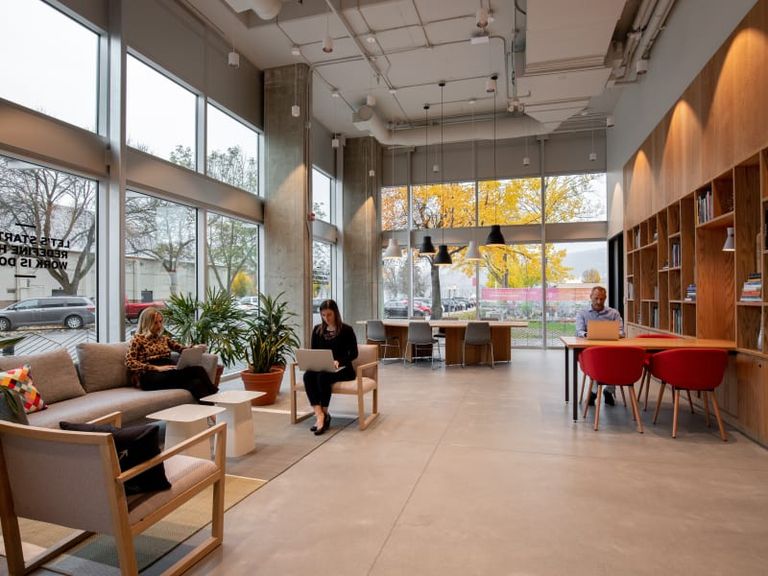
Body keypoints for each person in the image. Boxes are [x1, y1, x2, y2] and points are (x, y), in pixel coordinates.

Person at [126, 306, 218, 401]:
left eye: (160, 321)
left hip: (168, 370)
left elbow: (181, 349)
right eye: (155, 323)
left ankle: (212, 407)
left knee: (195, 383)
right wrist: (156, 368)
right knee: (198, 370)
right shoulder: (138, 339)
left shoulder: (163, 338)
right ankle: (216, 396)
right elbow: (130, 362)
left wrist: (195, 347)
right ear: (147, 323)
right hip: (150, 375)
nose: (159, 325)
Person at [304, 299, 358, 436]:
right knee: (308, 376)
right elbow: (314, 352)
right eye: (323, 315)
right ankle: (319, 414)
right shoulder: (317, 330)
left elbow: (354, 353)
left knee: (323, 377)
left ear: (335, 313)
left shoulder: (346, 330)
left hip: (344, 369)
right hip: (323, 367)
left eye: (329, 315)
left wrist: (339, 361)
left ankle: (324, 414)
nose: (326, 318)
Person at [575, 286, 625, 407]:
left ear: (605, 298)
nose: (599, 302)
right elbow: (579, 331)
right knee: (597, 360)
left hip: (610, 350)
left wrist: (613, 334)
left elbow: (621, 332)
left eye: (602, 299)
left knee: (613, 360)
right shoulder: (582, 313)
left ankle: (605, 391)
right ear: (590, 297)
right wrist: (587, 334)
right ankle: (596, 392)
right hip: (590, 351)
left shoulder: (613, 313)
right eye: (596, 298)